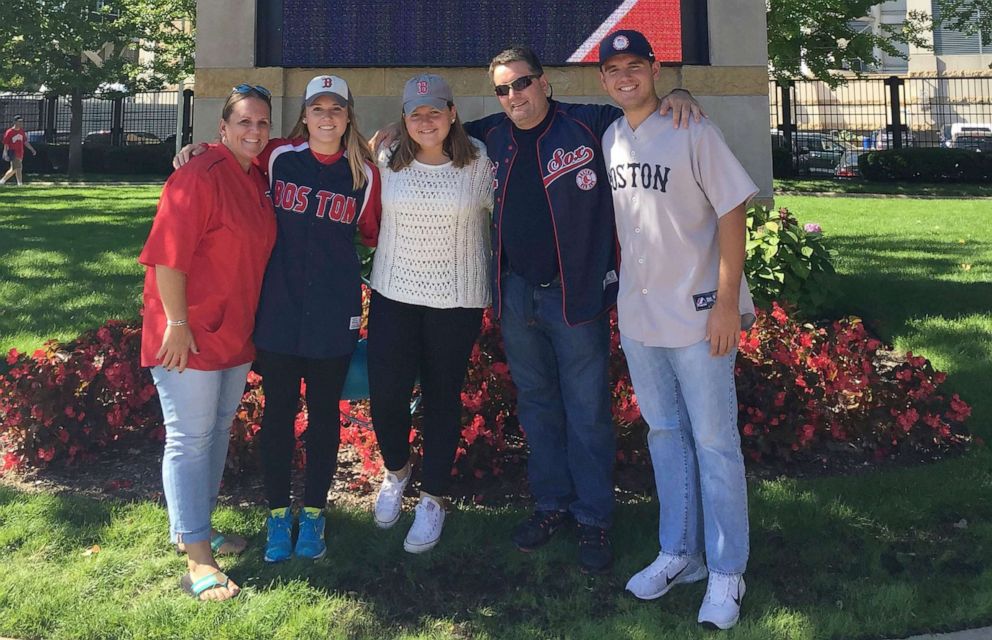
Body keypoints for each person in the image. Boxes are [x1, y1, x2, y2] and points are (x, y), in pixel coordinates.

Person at [452, 46, 701, 574]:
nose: (513, 96)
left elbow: (643, 109)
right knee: (538, 406)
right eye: (502, 89)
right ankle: (550, 506)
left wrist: (678, 93)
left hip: (575, 294)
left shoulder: (590, 124)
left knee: (586, 412)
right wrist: (388, 134)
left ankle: (594, 519)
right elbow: (429, 128)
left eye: (521, 84)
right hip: (517, 293)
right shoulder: (489, 136)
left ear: (544, 83)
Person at [175, 75, 382, 564]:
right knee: (278, 414)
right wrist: (198, 148)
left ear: (348, 115)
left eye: (336, 109)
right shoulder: (278, 157)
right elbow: (234, 155)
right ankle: (275, 516)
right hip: (280, 309)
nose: (326, 117)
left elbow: (372, 235)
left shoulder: (366, 175)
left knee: (325, 415)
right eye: (317, 109)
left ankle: (312, 514)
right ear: (304, 116)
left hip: (334, 311)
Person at [598, 30, 757, 629]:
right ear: (603, 80)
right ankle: (679, 553)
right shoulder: (613, 137)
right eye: (614, 70)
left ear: (655, 68)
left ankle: (726, 570)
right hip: (640, 317)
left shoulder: (695, 129)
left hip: (696, 314)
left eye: (635, 66)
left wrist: (725, 302)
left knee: (716, 443)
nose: (625, 78)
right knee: (666, 435)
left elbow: (733, 208)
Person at [139, 84, 276, 601]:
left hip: (234, 332)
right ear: (222, 128)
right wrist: (176, 322)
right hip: (186, 334)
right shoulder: (198, 175)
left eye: (262, 123)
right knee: (190, 439)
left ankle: (195, 528)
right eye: (243, 122)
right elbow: (166, 256)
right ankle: (198, 561)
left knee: (216, 434)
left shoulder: (257, 173)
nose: (254, 131)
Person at [368, 73, 493, 553]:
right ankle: (397, 471)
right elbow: (325, 148)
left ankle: (434, 497)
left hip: (456, 299)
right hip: (394, 294)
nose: (426, 120)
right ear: (403, 119)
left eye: (435, 111)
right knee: (387, 395)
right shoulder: (385, 159)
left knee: (443, 398)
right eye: (416, 113)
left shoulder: (480, 162)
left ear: (452, 113)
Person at [1, 116, 37, 186]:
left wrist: (32, 149)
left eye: (21, 121)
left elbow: (25, 142)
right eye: (19, 121)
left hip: (20, 152)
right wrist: (5, 153)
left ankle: (10, 182)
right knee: (17, 167)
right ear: (14, 122)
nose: (21, 123)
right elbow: (5, 143)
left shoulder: (21, 131)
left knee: (15, 169)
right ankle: (14, 183)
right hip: (13, 152)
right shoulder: (9, 132)